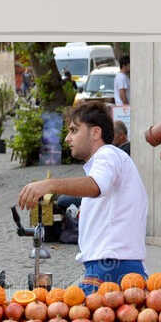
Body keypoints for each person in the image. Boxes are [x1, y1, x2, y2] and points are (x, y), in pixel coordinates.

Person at [16, 100, 146, 290]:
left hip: (111, 264)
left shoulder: (107, 154)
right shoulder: (107, 161)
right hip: (111, 263)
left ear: (95, 132)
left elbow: (95, 186)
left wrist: (50, 185)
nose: (68, 138)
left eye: (74, 130)